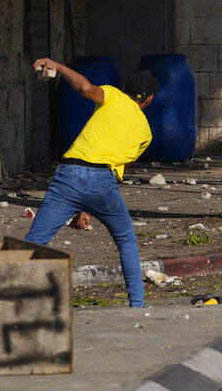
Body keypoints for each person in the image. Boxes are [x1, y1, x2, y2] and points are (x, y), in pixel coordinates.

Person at [26, 58, 159, 308]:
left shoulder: (112, 95)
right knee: (126, 240)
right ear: (148, 99)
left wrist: (59, 66)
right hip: (103, 183)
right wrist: (89, 207)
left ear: (126, 90)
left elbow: (85, 89)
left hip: (68, 175)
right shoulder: (146, 133)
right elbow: (116, 168)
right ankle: (137, 304)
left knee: (36, 239)